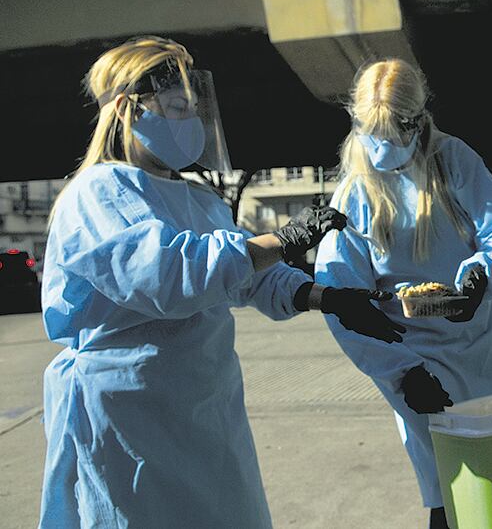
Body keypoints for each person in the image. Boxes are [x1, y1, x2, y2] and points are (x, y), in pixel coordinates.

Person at [39, 36, 402, 528]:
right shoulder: (96, 193)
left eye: (191, 108)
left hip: (204, 404)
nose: (186, 121)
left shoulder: (197, 199)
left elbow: (244, 277)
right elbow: (170, 277)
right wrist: (284, 239)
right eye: (173, 107)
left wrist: (326, 296)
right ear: (126, 110)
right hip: (132, 408)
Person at [314, 59, 492, 529]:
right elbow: (339, 296)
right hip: (412, 356)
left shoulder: (453, 160)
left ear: (416, 124)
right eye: (367, 131)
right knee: (446, 487)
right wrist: (400, 372)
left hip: (478, 345)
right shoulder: (355, 190)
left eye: (390, 133)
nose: (378, 147)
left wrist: (484, 276)